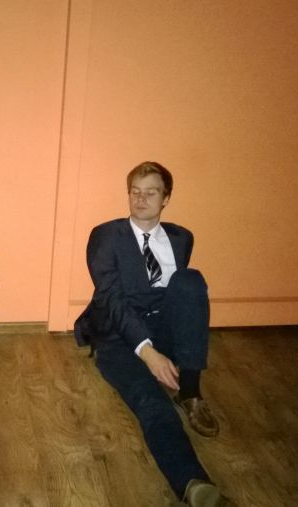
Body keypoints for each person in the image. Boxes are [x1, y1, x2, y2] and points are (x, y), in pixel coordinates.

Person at [75, 161, 233, 506]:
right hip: (118, 335)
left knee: (190, 280)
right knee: (150, 401)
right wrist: (148, 353)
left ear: (166, 198)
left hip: (165, 327)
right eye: (135, 192)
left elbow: (182, 302)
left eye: (151, 192)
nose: (141, 199)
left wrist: (166, 345)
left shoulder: (182, 237)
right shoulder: (106, 236)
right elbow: (112, 300)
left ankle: (190, 391)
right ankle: (193, 483)